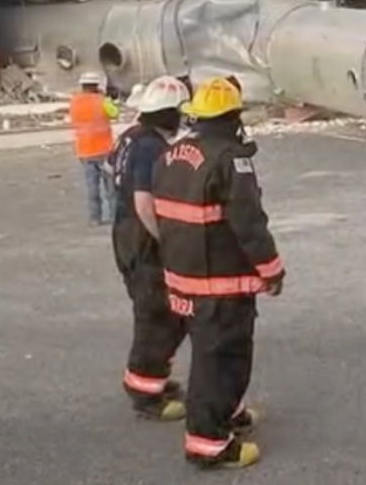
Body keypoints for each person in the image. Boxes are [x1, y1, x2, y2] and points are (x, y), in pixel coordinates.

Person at [151, 76, 284, 471]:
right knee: (222, 360)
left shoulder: (170, 155)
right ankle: (209, 443)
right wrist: (272, 270)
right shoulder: (229, 160)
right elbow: (249, 224)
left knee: (211, 355)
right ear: (231, 117)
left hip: (181, 280)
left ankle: (229, 413)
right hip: (219, 286)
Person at [109, 76, 192, 421]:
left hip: (125, 234)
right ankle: (145, 392)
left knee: (156, 313)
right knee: (158, 315)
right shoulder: (150, 148)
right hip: (142, 239)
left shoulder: (129, 137)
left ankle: (150, 377)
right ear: (167, 113)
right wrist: (166, 239)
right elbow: (145, 202)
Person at [69, 71, 120, 226]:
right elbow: (115, 113)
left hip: (84, 151)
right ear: (97, 86)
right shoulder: (102, 101)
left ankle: (95, 218)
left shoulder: (75, 102)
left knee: (92, 188)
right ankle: (114, 216)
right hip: (104, 150)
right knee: (110, 188)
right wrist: (108, 99)